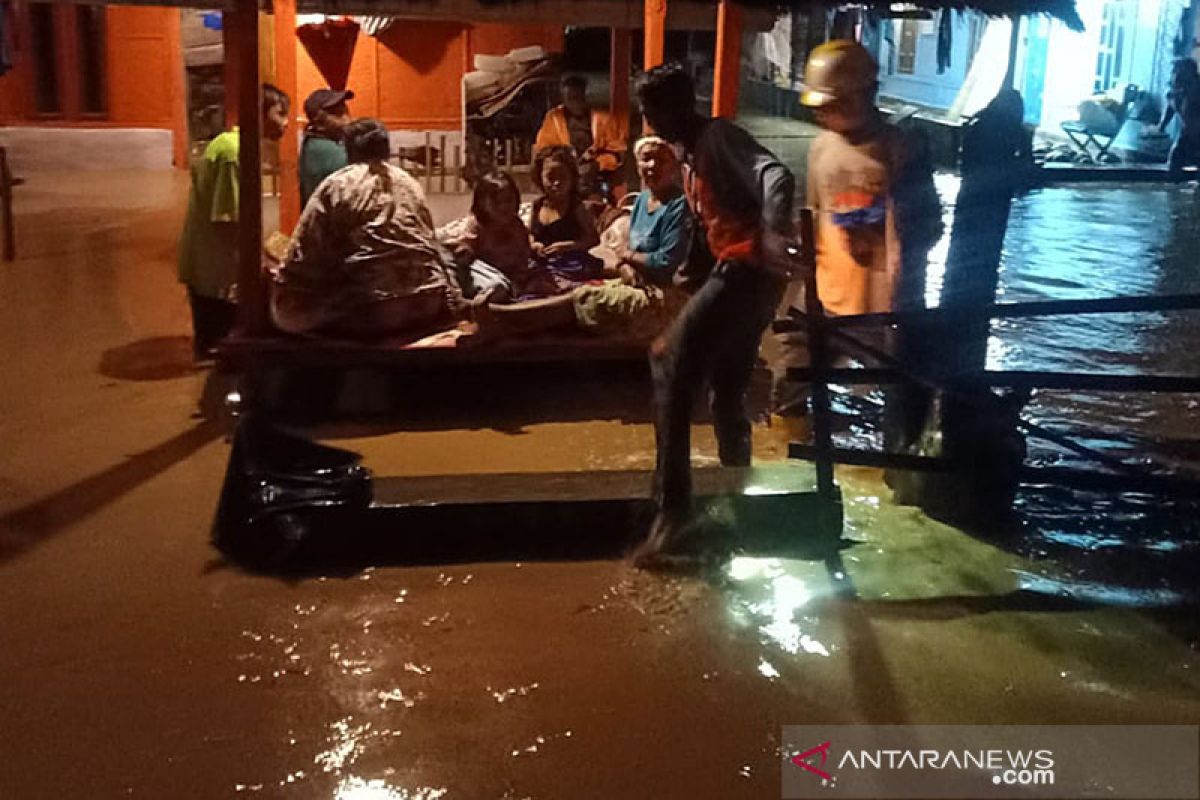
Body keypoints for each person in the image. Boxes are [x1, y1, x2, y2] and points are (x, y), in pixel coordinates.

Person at [628, 65, 797, 566]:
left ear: (678, 107)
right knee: (727, 386)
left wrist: (770, 234)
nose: (651, 123)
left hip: (748, 269)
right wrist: (688, 274)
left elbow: (776, 175)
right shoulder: (690, 156)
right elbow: (713, 223)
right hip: (745, 275)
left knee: (667, 361)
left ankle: (675, 512)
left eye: (654, 112)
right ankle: (737, 489)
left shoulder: (718, 136)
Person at [772, 40, 942, 444]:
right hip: (826, 295)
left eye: (833, 104)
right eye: (820, 107)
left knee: (905, 397)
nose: (823, 114)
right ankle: (789, 452)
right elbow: (812, 216)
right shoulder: (819, 149)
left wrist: (902, 285)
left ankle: (899, 469)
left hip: (885, 303)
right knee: (789, 378)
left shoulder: (902, 151)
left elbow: (929, 227)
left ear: (865, 95)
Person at [471, 136, 694, 341]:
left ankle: (505, 318)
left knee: (583, 295)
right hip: (636, 279)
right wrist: (626, 264)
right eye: (646, 159)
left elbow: (664, 262)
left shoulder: (678, 206)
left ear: (675, 166)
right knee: (561, 287)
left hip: (662, 291)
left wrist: (625, 256)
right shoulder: (643, 200)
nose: (652, 166)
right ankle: (506, 317)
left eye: (661, 160)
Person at [270, 118, 461, 339]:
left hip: (376, 309)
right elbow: (431, 244)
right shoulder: (409, 182)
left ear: (348, 150)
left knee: (285, 311)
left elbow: (303, 253)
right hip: (429, 303)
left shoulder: (338, 184)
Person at [178, 83, 290, 361]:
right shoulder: (234, 153)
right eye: (281, 113)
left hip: (209, 263)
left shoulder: (232, 145)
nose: (286, 123)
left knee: (216, 346)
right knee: (220, 353)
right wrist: (265, 260)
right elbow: (229, 219)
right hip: (216, 270)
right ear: (260, 114)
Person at [438, 171, 531, 301]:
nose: (504, 206)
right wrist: (464, 251)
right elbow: (465, 251)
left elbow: (524, 253)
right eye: (496, 202)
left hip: (512, 274)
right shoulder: (479, 225)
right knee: (496, 287)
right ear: (482, 203)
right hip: (484, 272)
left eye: (509, 200)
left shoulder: (516, 225)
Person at [535, 74, 628, 200]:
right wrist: (566, 163)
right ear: (563, 98)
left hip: (597, 179)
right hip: (563, 180)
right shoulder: (554, 118)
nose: (575, 102)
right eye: (570, 98)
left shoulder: (602, 118)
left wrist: (596, 165)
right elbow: (542, 152)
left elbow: (618, 153)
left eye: (578, 97)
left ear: (585, 96)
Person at [526, 145, 603, 294]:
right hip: (543, 263)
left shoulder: (576, 207)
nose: (556, 183)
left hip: (572, 262)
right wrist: (534, 244)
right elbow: (530, 234)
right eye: (550, 177)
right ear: (539, 178)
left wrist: (568, 246)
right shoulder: (537, 206)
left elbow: (593, 239)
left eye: (562, 177)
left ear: (572, 178)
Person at [300, 88, 354, 207]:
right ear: (318, 119)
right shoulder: (327, 150)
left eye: (345, 109)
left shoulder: (312, 142)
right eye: (337, 112)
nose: (346, 116)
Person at [1160, 57, 1200, 174]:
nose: (1174, 75)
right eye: (1174, 71)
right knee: (1174, 163)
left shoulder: (1195, 91)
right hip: (1188, 135)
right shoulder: (1176, 91)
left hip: (1195, 134)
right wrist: (1162, 125)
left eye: (1178, 72)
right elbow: (1170, 107)